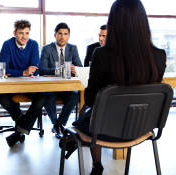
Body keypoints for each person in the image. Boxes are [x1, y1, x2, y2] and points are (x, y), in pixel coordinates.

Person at [67, 0, 167, 174]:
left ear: (114, 23)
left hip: (103, 131)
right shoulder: (159, 55)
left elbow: (90, 99)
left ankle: (91, 160)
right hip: (142, 129)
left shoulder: (102, 54)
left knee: (85, 119)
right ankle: (72, 141)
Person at [0, 19, 46, 147]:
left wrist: (17, 72)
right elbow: (2, 70)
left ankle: (19, 132)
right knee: (1, 97)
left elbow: (34, 72)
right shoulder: (7, 45)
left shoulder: (34, 45)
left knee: (41, 98)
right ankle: (21, 118)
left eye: (27, 33)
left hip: (28, 85)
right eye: (21, 33)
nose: (24, 36)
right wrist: (23, 72)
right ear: (15, 33)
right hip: (11, 85)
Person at [39, 22, 83, 139]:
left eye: (65, 34)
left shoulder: (73, 48)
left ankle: (59, 124)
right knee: (48, 98)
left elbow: (81, 67)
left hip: (67, 86)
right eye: (59, 34)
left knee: (75, 96)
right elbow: (42, 70)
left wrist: (76, 69)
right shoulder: (47, 49)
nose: (62, 37)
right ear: (55, 35)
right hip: (51, 87)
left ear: (69, 36)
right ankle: (55, 123)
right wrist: (58, 70)